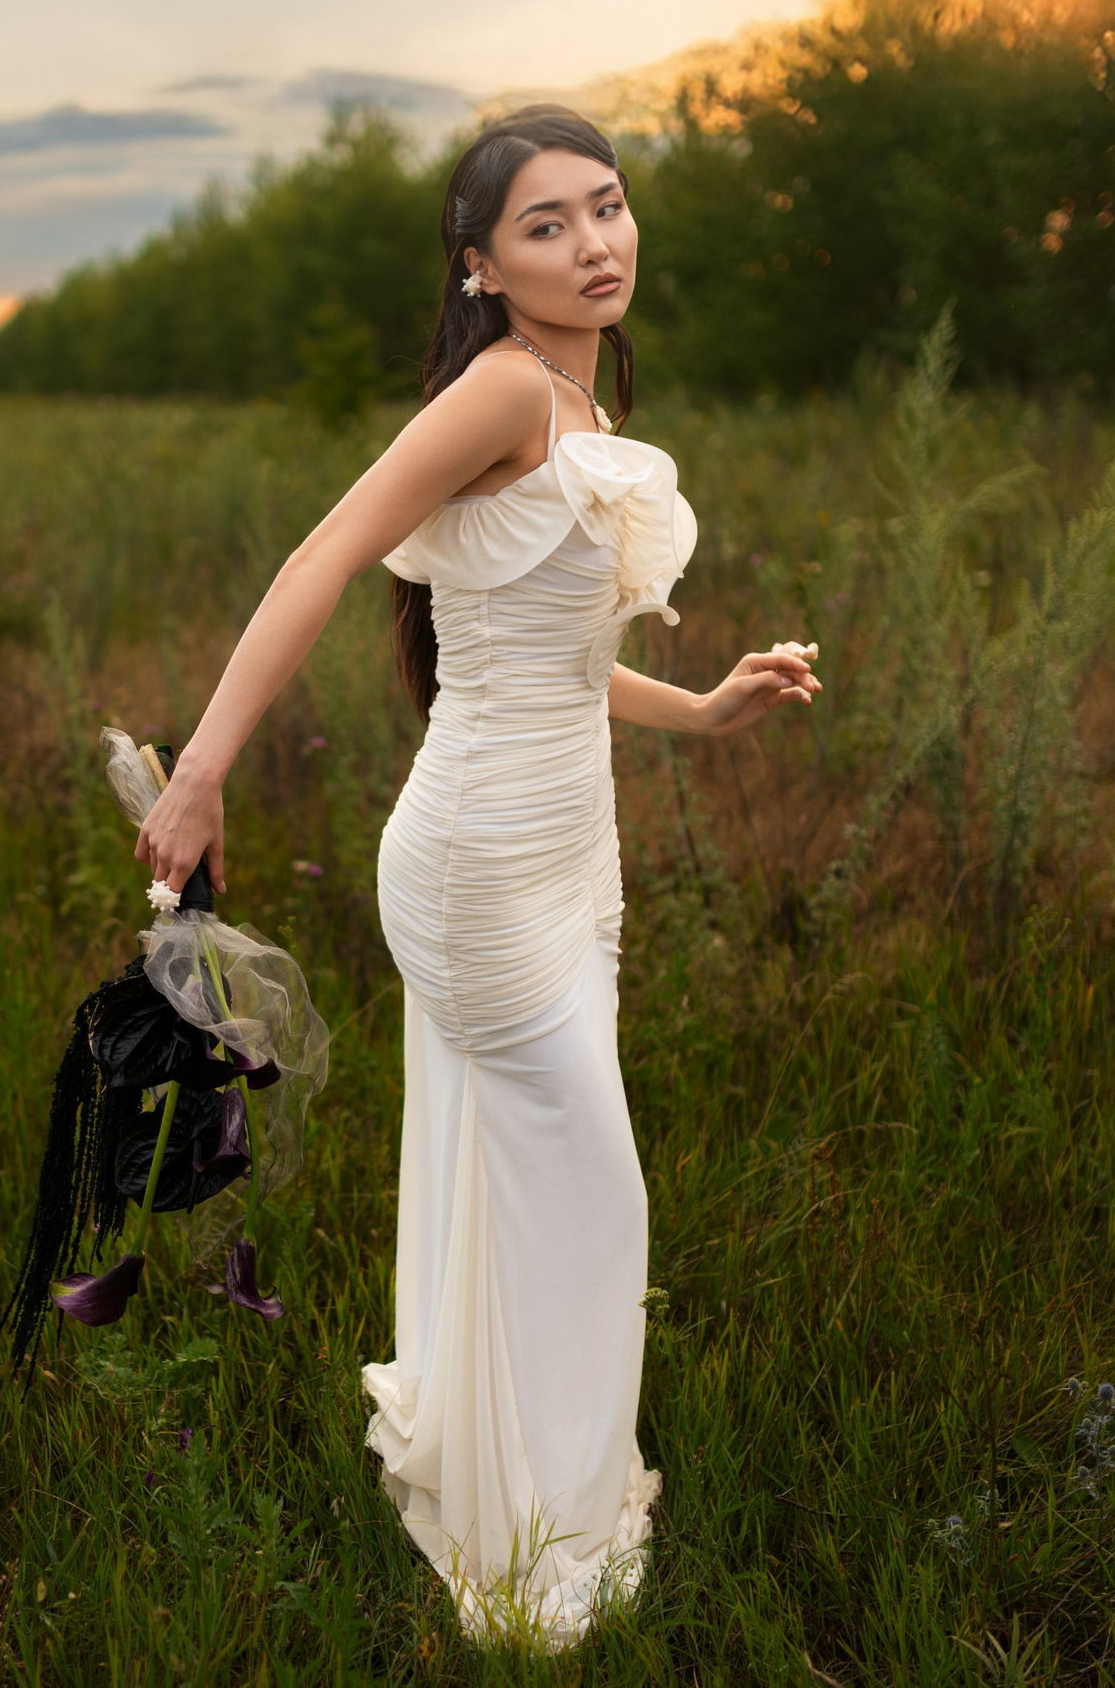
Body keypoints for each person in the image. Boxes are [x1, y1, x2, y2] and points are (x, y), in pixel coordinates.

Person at [133, 104, 821, 1650]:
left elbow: (558, 667)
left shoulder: (575, 408)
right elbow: (321, 554)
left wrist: (703, 708)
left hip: (570, 850)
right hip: (479, 868)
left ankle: (525, 1474)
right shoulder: (508, 387)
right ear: (481, 267)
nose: (595, 245)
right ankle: (540, 1543)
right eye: (547, 226)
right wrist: (202, 767)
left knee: (529, 1180)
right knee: (593, 1186)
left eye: (609, 209)